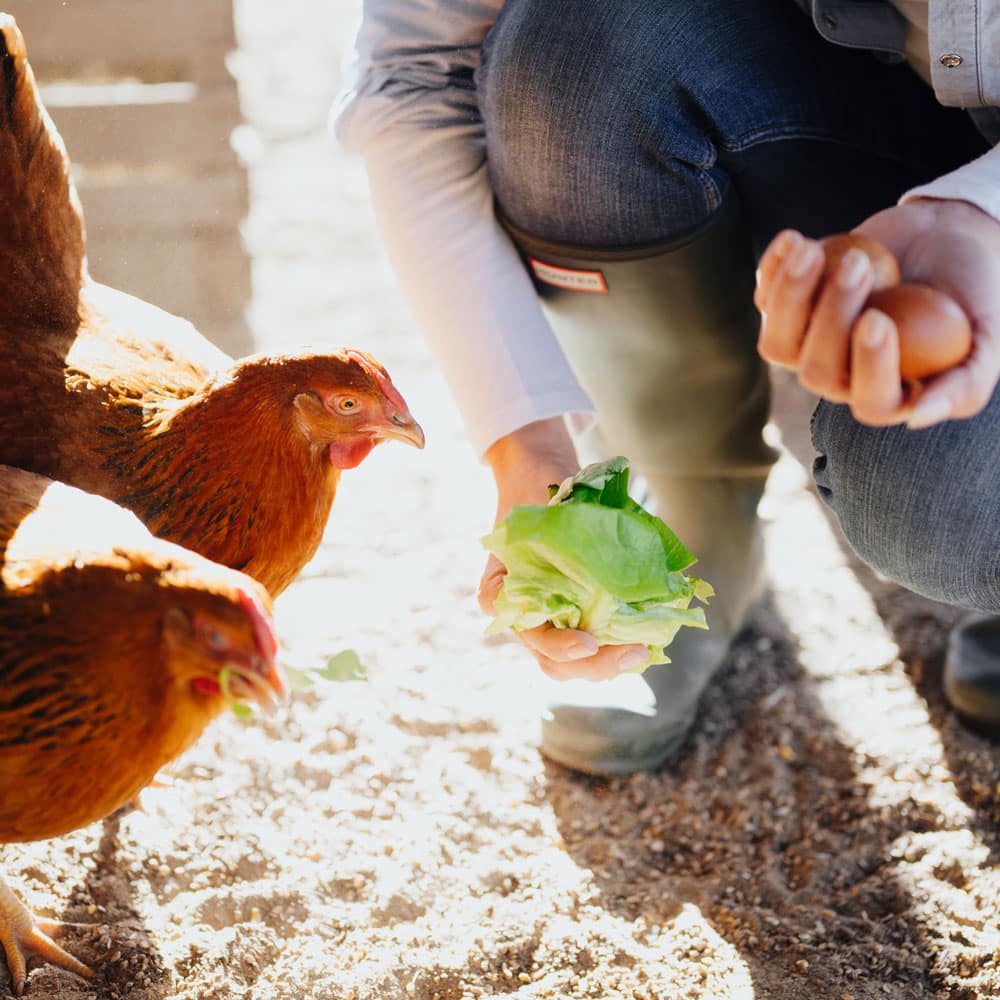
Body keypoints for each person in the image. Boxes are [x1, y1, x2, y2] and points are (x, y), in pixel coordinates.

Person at [336, 0, 1000, 775]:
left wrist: (981, 220)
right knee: (577, 52)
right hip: (846, 92)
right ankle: (692, 523)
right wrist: (528, 446)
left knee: (941, 501)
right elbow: (419, 69)